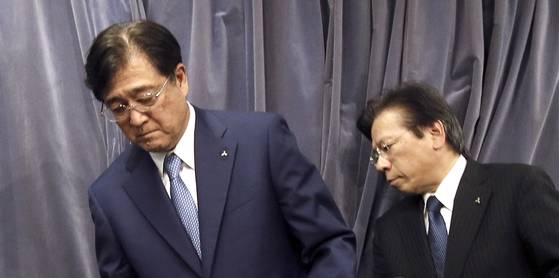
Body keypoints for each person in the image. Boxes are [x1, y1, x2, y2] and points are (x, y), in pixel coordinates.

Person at [84, 20, 356, 278]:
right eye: (119, 108)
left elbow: (330, 243)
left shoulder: (261, 143)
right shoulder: (109, 198)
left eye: (145, 98)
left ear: (180, 79)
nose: (136, 119)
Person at [357, 81, 559, 278]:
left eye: (386, 147)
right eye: (376, 155)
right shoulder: (389, 229)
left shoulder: (520, 188)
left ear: (435, 134)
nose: (380, 164)